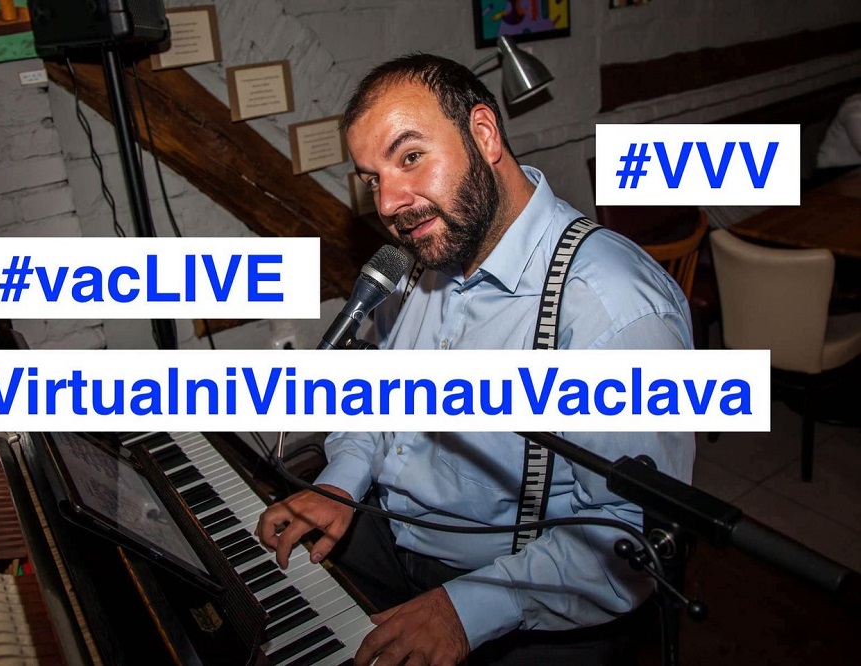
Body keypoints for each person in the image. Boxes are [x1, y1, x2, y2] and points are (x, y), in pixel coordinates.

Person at [256, 53, 695, 666]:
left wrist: (469, 608)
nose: (390, 203)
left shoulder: (611, 306)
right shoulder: (427, 256)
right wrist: (340, 480)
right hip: (390, 530)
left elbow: (628, 534)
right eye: (373, 178)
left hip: (525, 591)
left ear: (484, 135)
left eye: (411, 157)